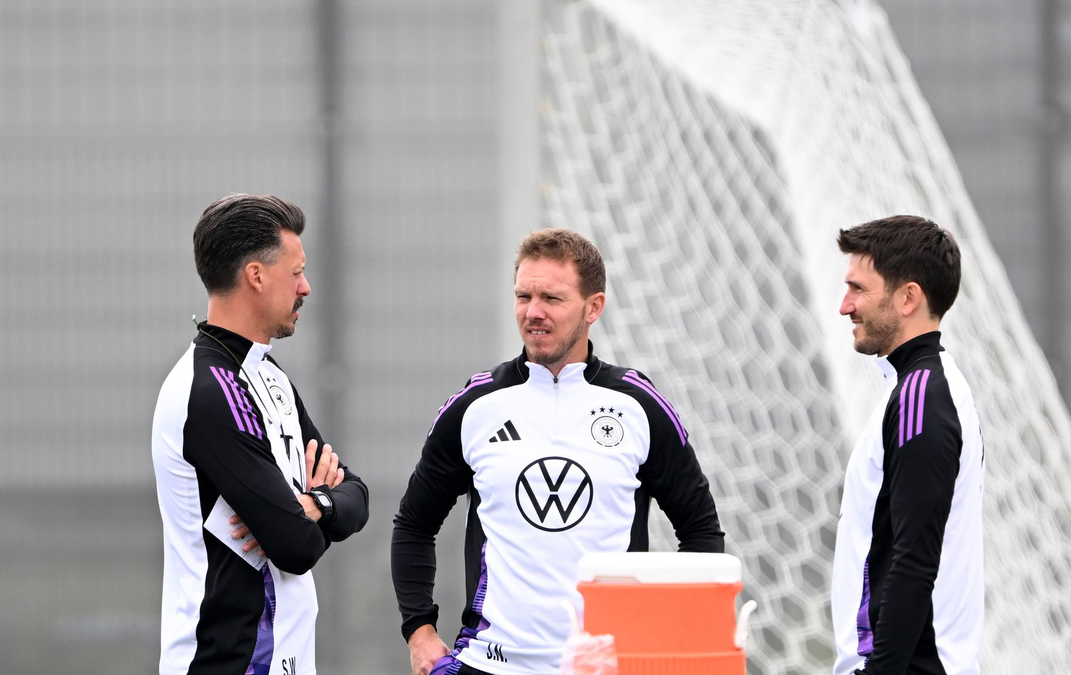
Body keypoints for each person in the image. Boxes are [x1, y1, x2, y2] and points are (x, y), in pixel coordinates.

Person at [392, 228, 725, 675]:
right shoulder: (475, 406)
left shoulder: (638, 405)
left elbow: (701, 532)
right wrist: (420, 630)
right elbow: (414, 524)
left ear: (594, 307)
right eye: (523, 296)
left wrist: (667, 640)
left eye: (552, 298)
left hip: (607, 668)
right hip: (488, 665)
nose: (533, 313)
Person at [151, 193, 369, 675]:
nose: (306, 288)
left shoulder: (269, 377)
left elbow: (357, 493)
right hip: (231, 662)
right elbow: (296, 546)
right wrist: (308, 511)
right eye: (296, 273)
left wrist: (313, 505)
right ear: (255, 275)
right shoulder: (207, 390)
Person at [830, 215, 985, 675]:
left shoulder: (923, 397)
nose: (844, 306)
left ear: (908, 297)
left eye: (858, 288)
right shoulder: (918, 388)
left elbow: (913, 560)